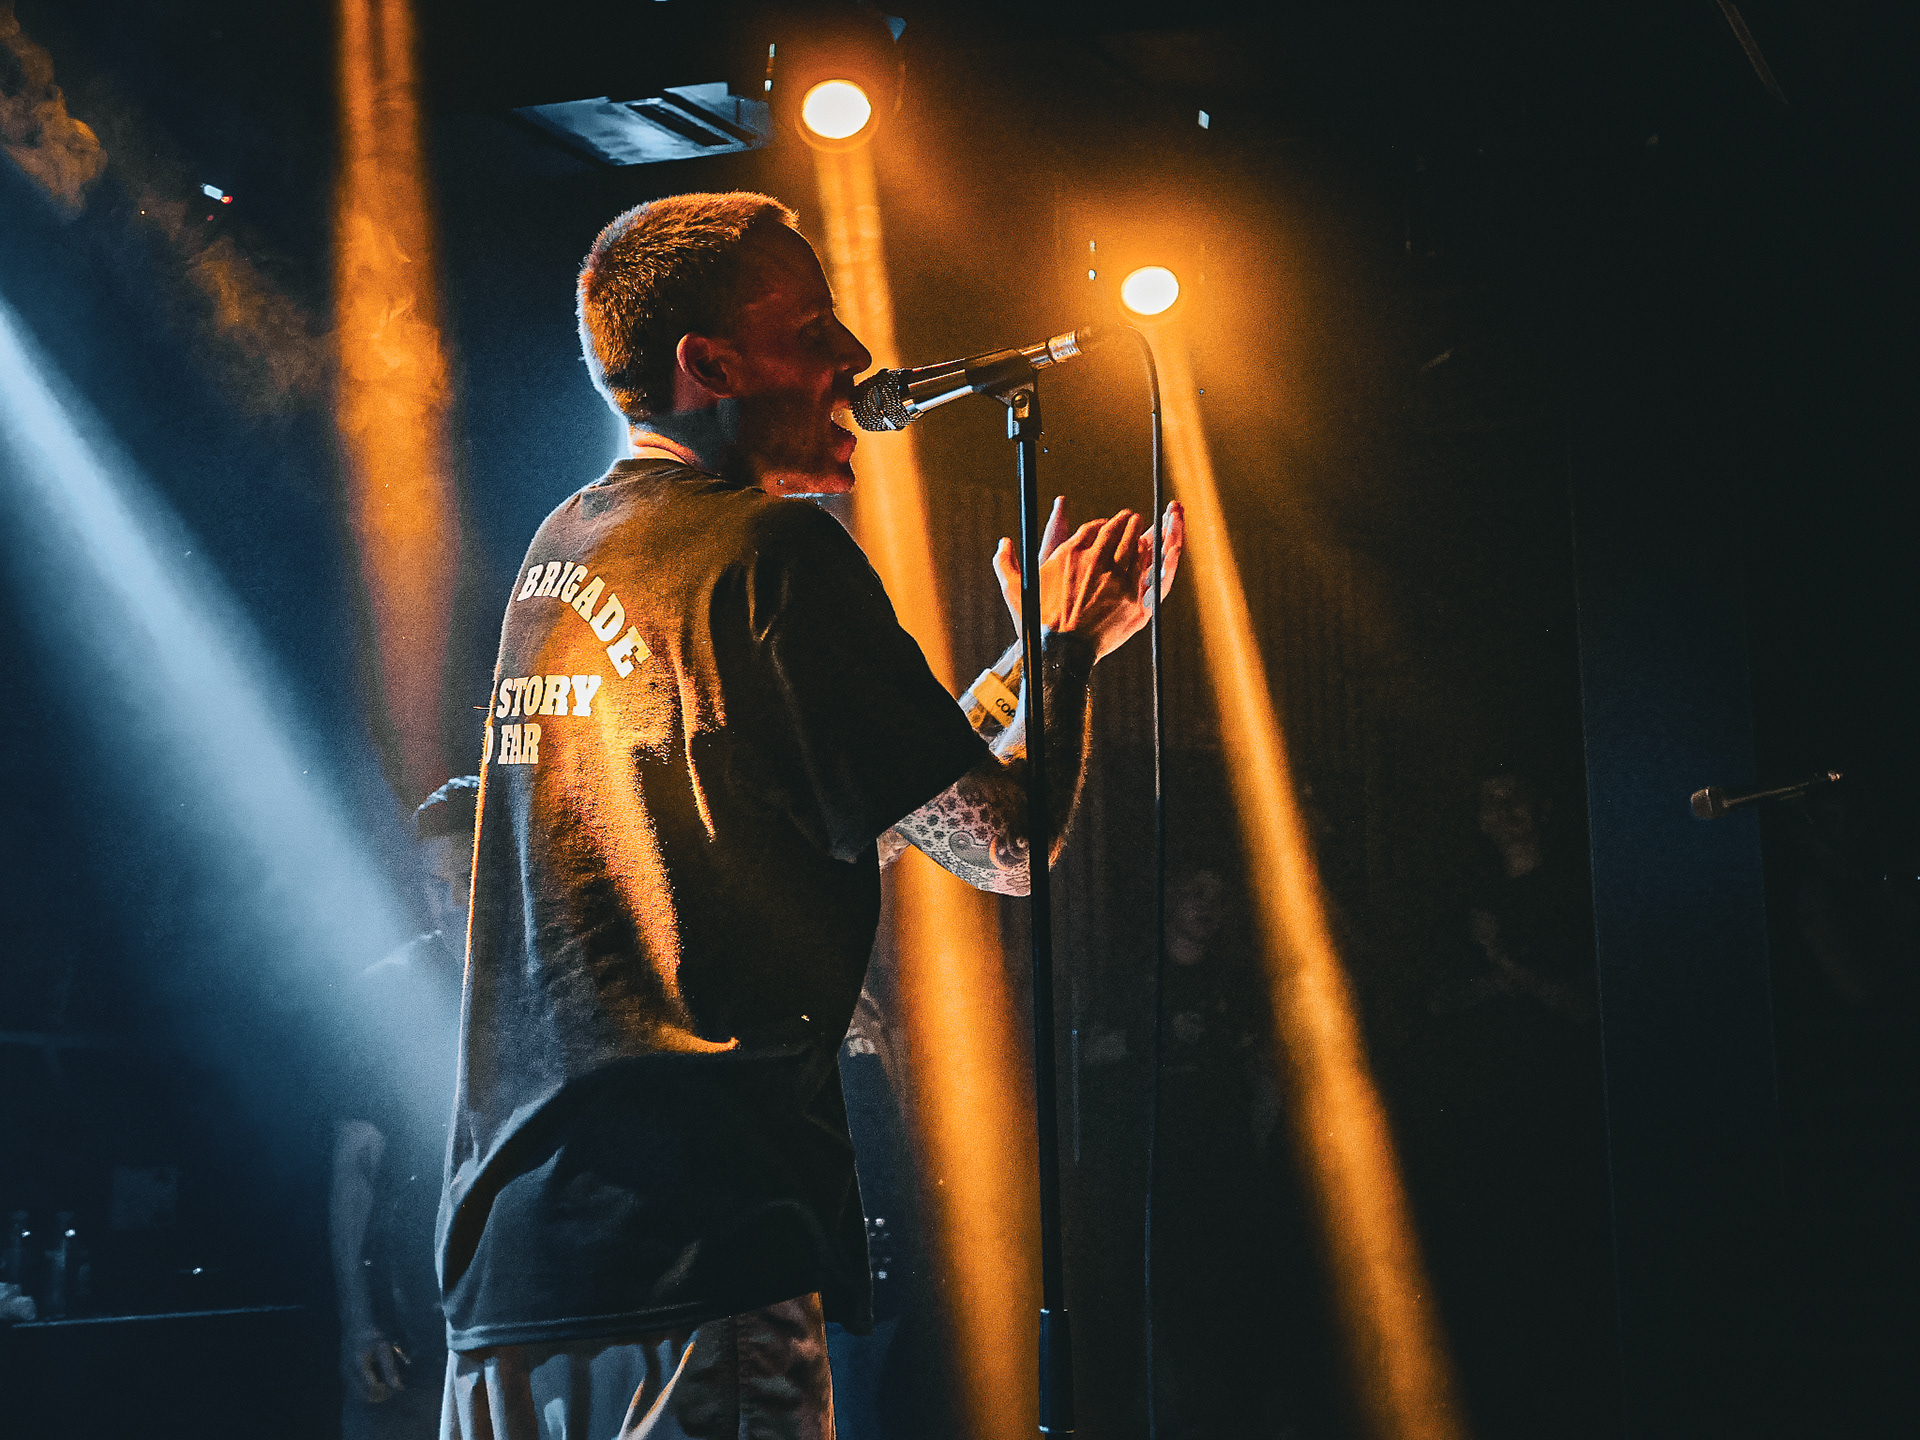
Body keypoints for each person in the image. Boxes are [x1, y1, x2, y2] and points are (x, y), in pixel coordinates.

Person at [437, 192, 1183, 1440]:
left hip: (516, 1259)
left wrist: (1024, 667)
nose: (855, 356)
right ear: (711, 364)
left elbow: (837, 807)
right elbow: (1007, 847)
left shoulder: (565, 550)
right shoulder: (774, 552)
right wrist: (1066, 649)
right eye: (813, 328)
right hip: (702, 1247)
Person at [332, 776, 475, 1439]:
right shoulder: (391, 991)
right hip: (409, 1336)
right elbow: (354, 1168)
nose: (448, 902)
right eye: (432, 883)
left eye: (464, 880)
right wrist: (357, 1321)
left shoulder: (544, 983)